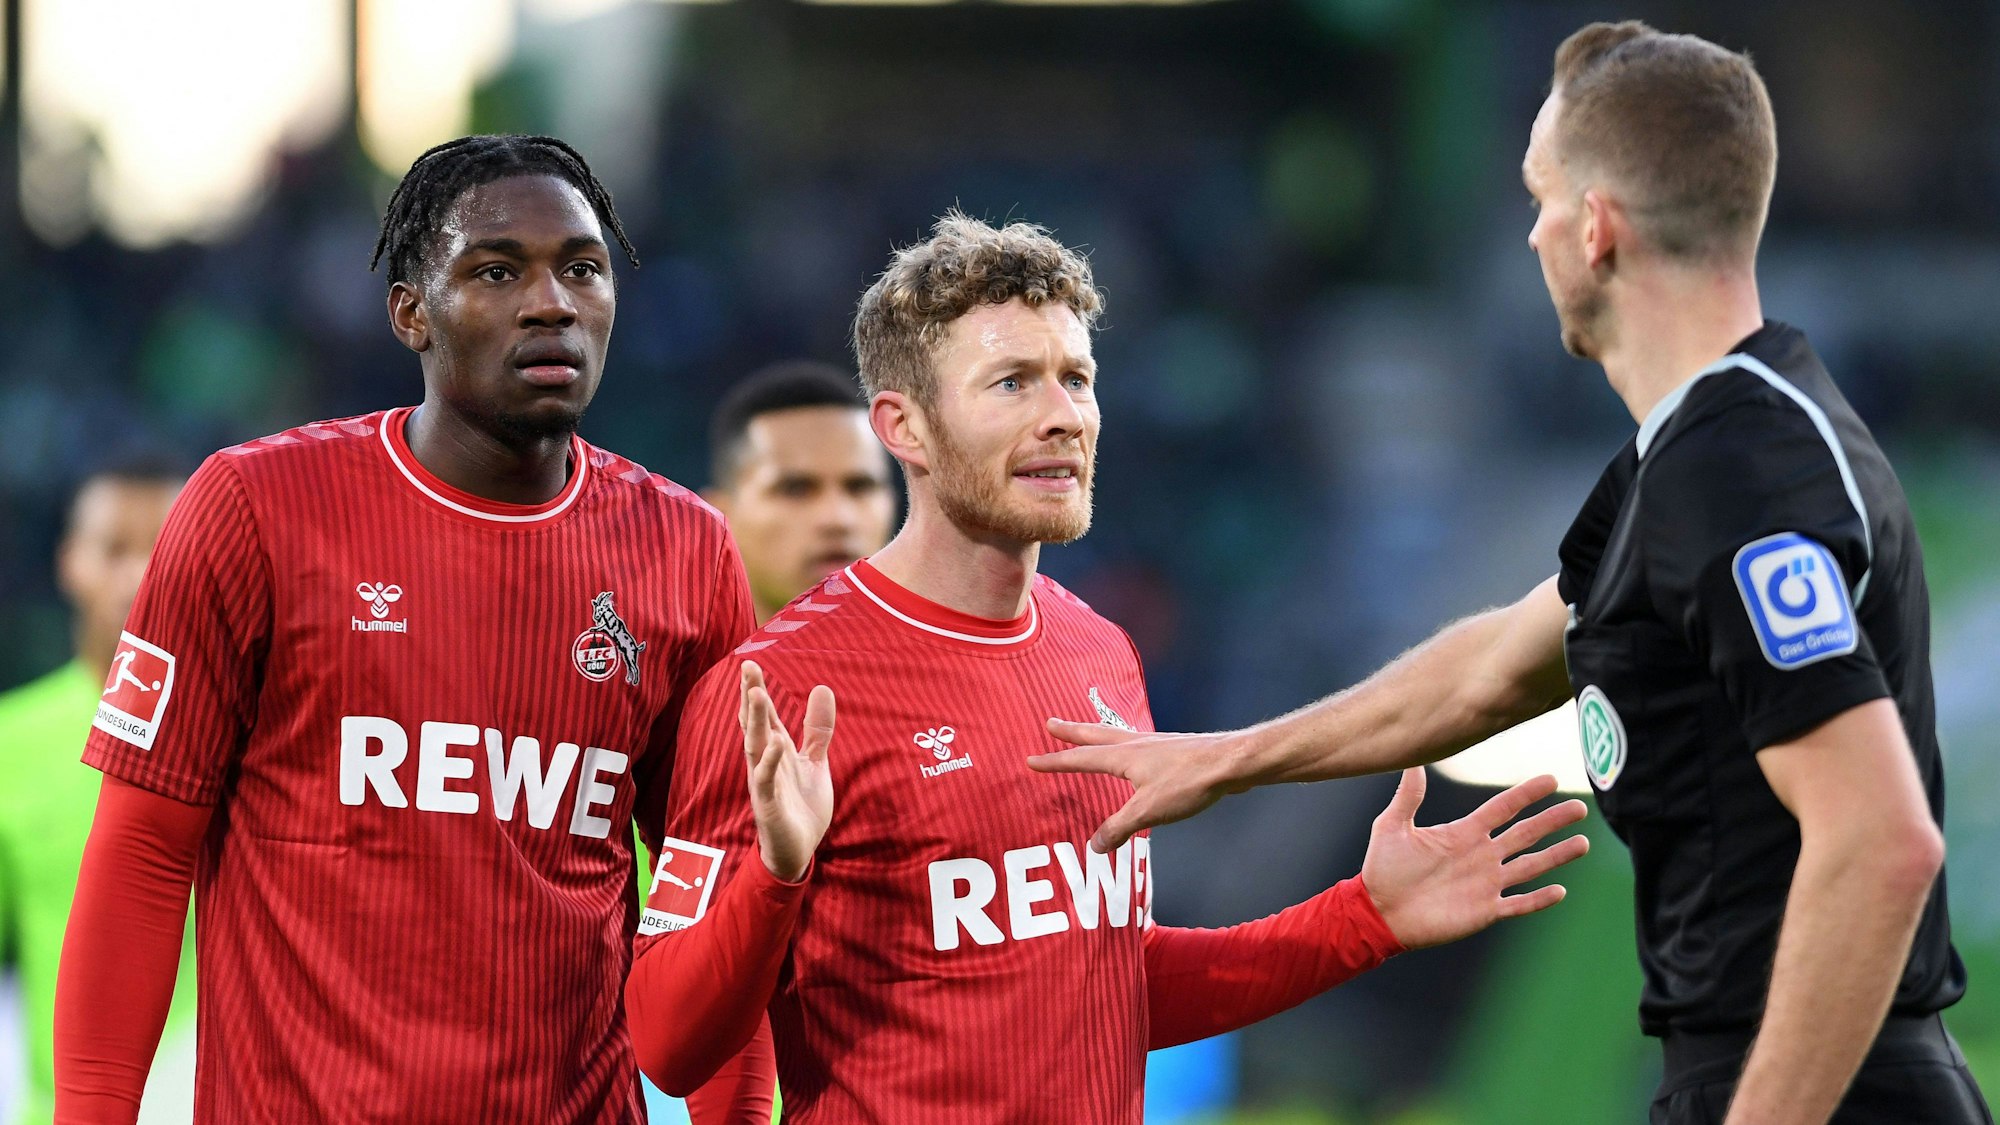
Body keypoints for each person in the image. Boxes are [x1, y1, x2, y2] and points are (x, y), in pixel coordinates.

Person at [1031, 22, 1990, 1125]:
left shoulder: (1735, 470)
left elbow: (1879, 840)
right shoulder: (1683, 461)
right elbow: (1485, 670)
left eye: (1538, 197)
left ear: (1595, 227)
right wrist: (1229, 759)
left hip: (1824, 1090)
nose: (1529, 233)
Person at [621, 212, 1591, 1122]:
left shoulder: (1096, 650)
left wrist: (1361, 918)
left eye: (1074, 379)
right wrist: (775, 881)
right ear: (902, 427)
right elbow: (670, 1045)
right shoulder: (784, 688)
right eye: (1010, 383)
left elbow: (1100, 982)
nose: (1062, 418)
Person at [53, 135, 765, 1124]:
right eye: (496, 270)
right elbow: (141, 855)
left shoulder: (687, 553)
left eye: (583, 268)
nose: (551, 301)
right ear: (409, 313)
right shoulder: (255, 510)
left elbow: (714, 905)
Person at [0, 459, 192, 1125]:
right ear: (69, 562)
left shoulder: (256, 743)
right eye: (114, 549)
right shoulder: (9, 744)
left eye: (161, 548)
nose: (138, 574)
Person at [703, 361, 895, 624]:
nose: (838, 519)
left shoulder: (955, 661)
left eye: (860, 486)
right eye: (796, 489)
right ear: (718, 520)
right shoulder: (650, 663)